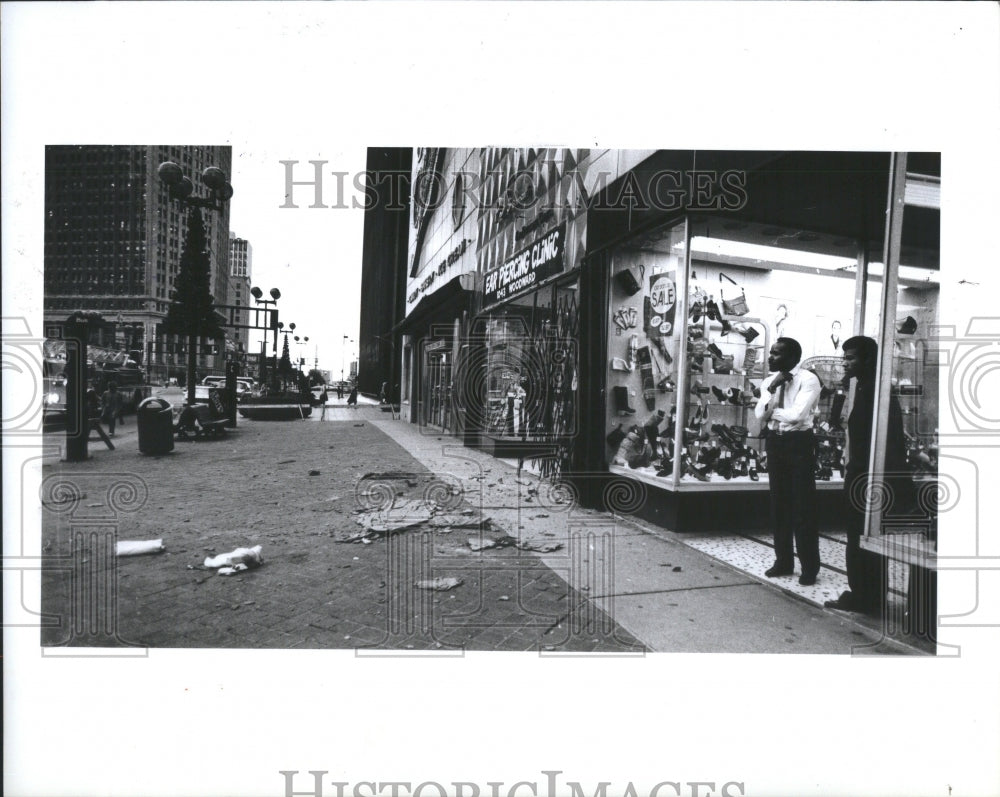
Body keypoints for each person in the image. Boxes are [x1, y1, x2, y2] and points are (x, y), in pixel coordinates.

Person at [825, 336, 913, 615]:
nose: (845, 362)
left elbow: (884, 439)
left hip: (869, 476)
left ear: (868, 360)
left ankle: (864, 596)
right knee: (864, 535)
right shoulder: (868, 387)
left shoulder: (875, 391)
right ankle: (868, 594)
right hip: (867, 473)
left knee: (861, 535)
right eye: (845, 357)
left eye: (851, 358)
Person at [754, 337, 822, 585]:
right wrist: (771, 392)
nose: (771, 357)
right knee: (779, 504)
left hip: (798, 444)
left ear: (793, 356)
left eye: (777, 353)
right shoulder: (769, 382)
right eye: (771, 352)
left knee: (802, 507)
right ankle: (783, 561)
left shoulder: (809, 379)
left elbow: (797, 416)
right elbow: (760, 415)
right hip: (776, 442)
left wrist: (773, 412)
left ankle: (809, 567)